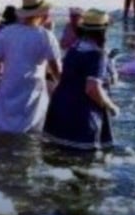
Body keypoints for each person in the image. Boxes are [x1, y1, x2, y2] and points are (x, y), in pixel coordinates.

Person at [44, 9, 120, 151]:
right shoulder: (97, 54)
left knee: (55, 156)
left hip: (58, 111)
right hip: (81, 116)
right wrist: (111, 106)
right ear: (103, 31)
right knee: (84, 165)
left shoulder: (74, 49)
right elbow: (92, 88)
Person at [0, 0, 62, 134]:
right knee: (30, 135)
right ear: (43, 14)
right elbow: (57, 70)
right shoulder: (45, 36)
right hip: (32, 93)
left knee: (2, 130)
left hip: (8, 87)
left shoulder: (7, 32)